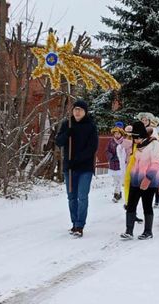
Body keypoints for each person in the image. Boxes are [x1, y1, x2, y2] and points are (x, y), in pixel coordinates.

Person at [55, 99, 98, 238]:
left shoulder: (90, 126)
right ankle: (74, 223)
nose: (77, 112)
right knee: (71, 197)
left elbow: (92, 148)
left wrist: (77, 160)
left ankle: (80, 225)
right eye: (75, 109)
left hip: (84, 168)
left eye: (80, 109)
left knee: (82, 197)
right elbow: (58, 142)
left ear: (85, 112)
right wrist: (67, 133)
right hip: (70, 169)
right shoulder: (67, 124)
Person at [120, 121, 159, 240]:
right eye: (133, 138)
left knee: (147, 205)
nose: (135, 141)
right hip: (135, 179)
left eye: (136, 138)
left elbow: (156, 163)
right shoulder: (138, 146)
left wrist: (148, 178)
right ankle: (129, 230)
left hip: (149, 181)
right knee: (131, 204)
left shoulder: (154, 145)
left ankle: (148, 231)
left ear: (142, 136)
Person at [106, 122, 127, 203]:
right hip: (112, 164)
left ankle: (116, 194)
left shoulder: (124, 141)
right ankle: (119, 192)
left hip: (120, 164)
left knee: (119, 179)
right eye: (115, 133)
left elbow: (125, 151)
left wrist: (120, 157)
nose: (117, 135)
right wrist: (111, 156)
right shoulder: (111, 141)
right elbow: (107, 150)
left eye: (118, 133)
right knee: (115, 180)